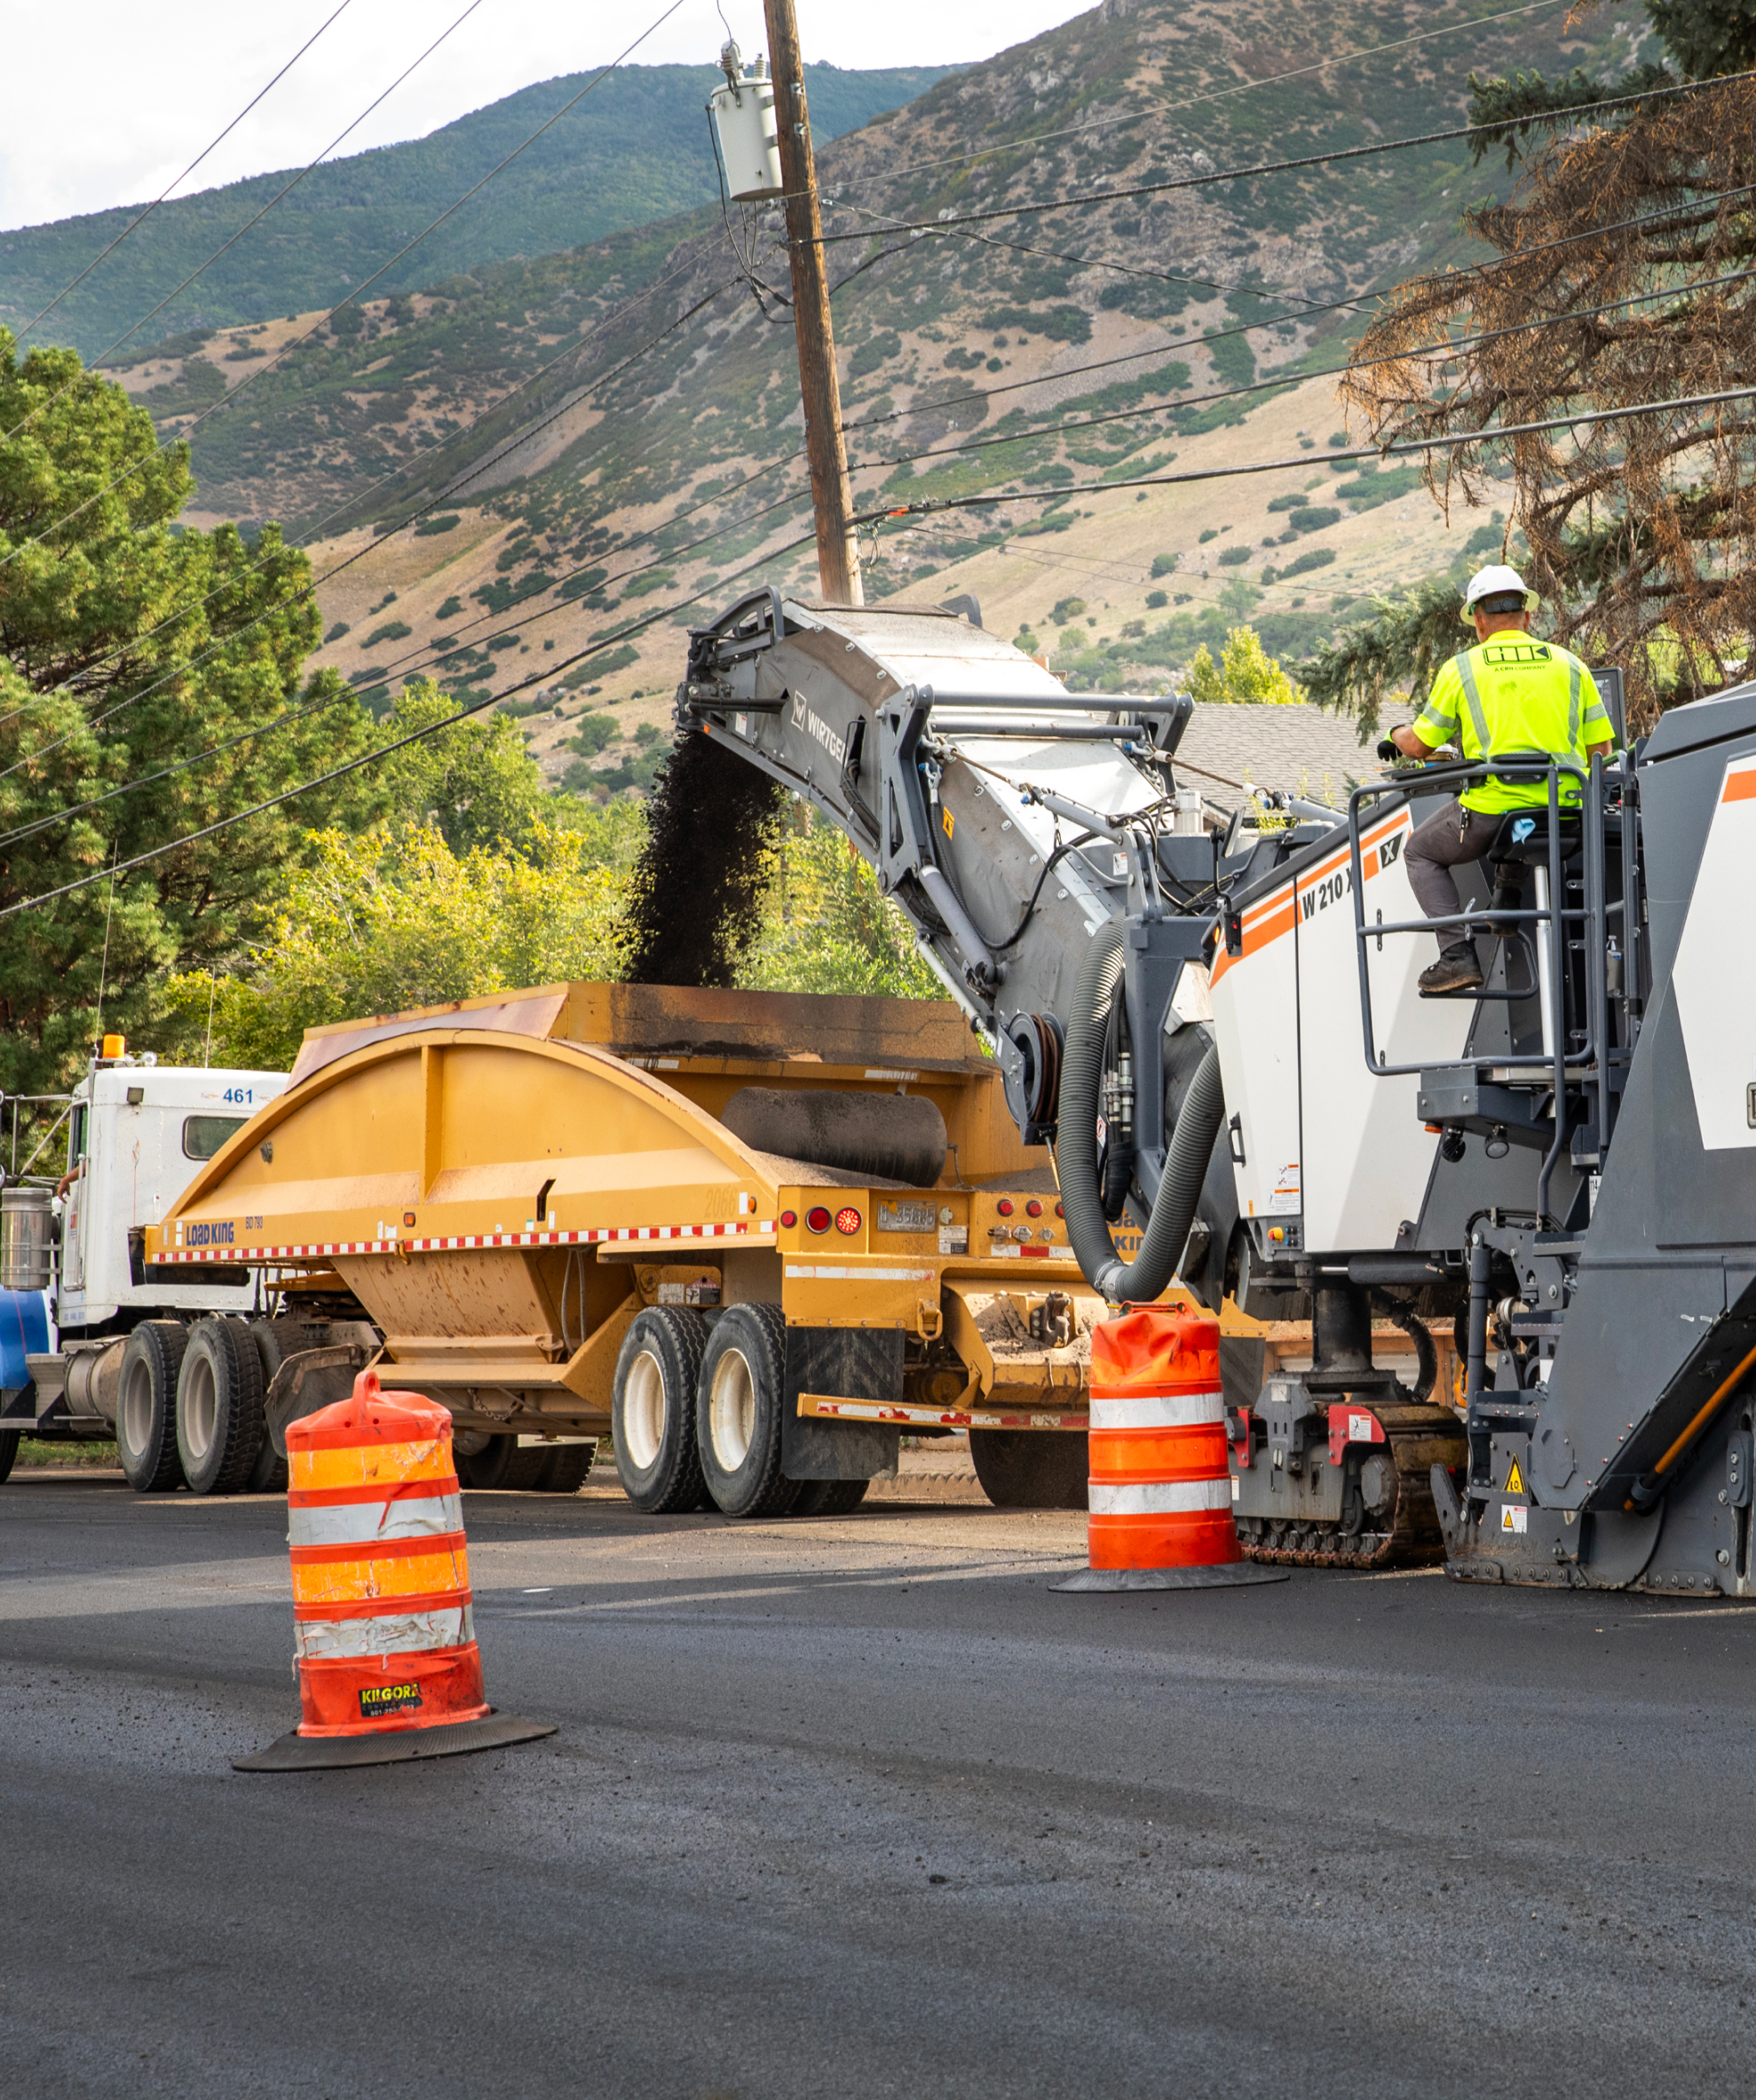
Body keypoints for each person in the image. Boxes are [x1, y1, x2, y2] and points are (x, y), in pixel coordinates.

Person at [1375, 564, 1616, 995]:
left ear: (1479, 621)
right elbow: (1601, 752)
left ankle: (1456, 956)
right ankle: (1505, 904)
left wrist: (1394, 734)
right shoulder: (1571, 665)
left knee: (1420, 852)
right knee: (1523, 819)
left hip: (1495, 810)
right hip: (1565, 811)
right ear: (1527, 616)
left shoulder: (1463, 669)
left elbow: (1419, 745)